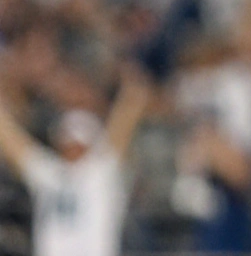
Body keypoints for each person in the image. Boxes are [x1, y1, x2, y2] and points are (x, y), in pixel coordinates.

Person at [0, 65, 152, 256]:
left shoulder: (101, 171)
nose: (72, 148)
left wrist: (132, 84)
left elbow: (124, 121)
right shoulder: (49, 173)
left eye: (77, 142)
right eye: (68, 141)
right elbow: (13, 143)